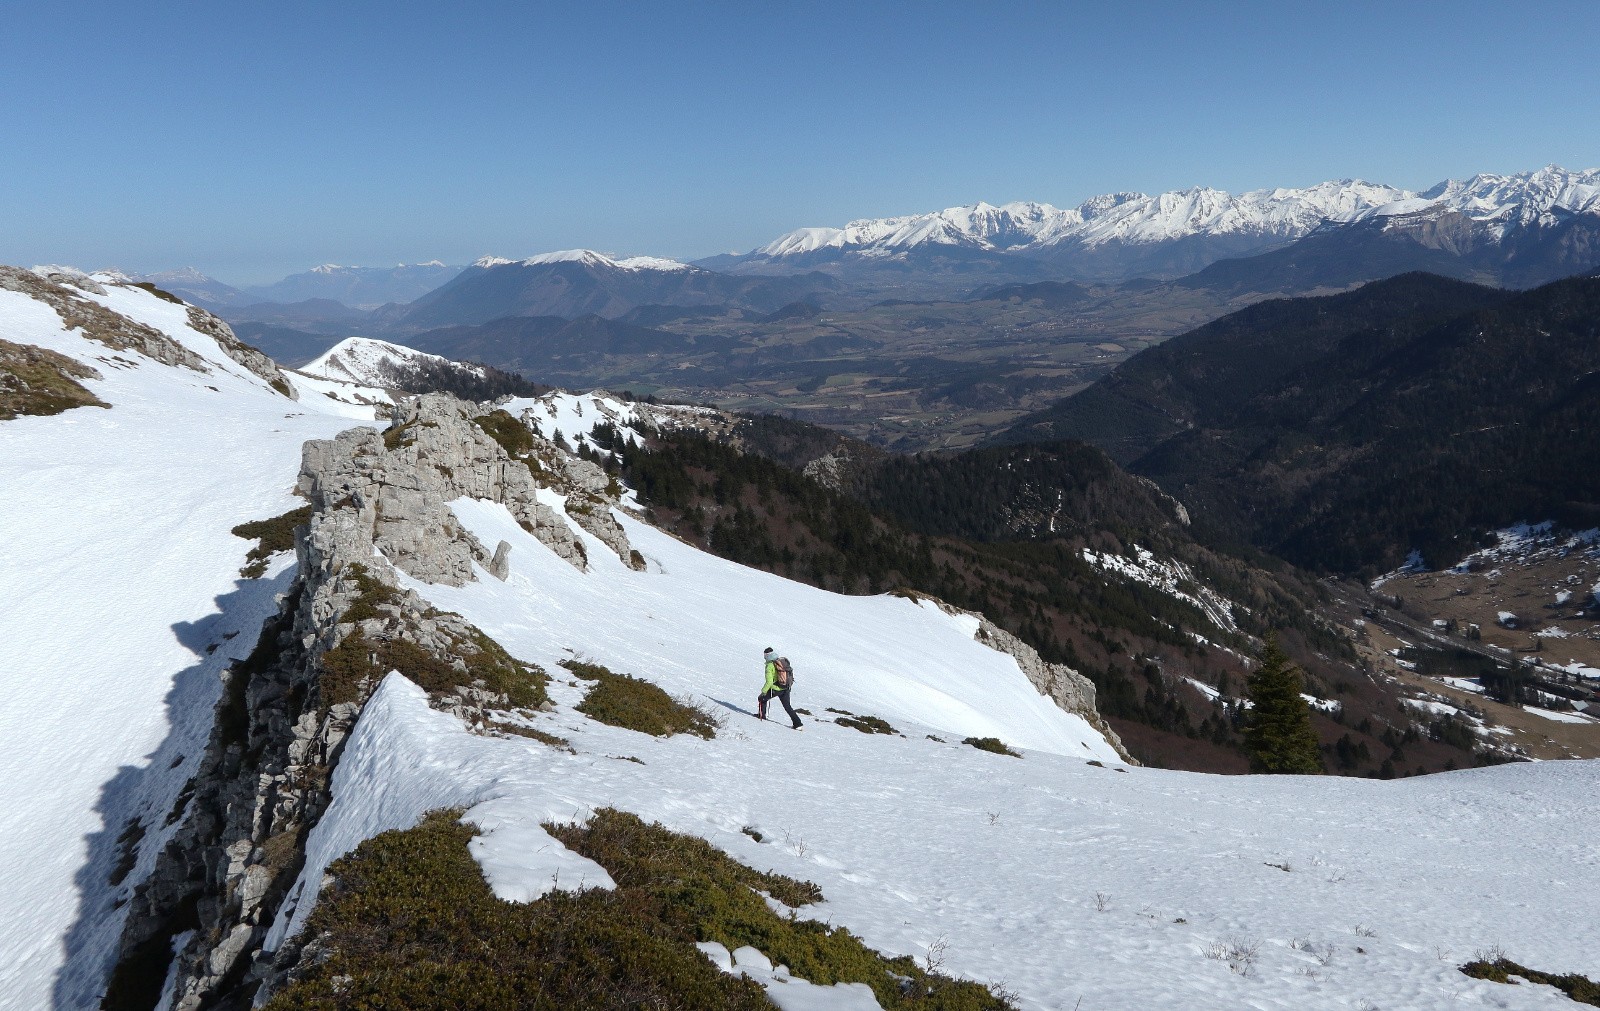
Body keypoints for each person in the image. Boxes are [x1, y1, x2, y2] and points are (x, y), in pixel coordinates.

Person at [758, 646, 803, 730]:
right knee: (787, 706)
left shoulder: (770, 666)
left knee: (761, 698)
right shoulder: (781, 661)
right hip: (786, 688)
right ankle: (798, 724)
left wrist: (763, 691)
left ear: (766, 655)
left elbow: (769, 682)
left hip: (776, 688)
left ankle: (762, 715)